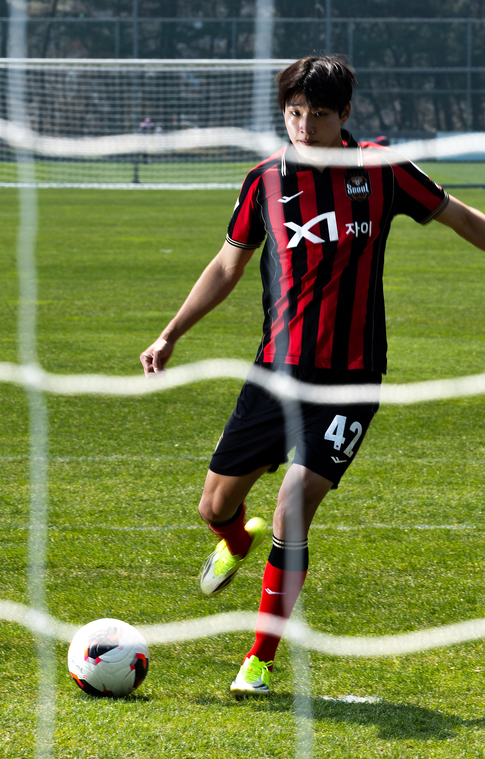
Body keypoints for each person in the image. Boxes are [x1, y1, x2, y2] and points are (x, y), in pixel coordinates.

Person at [140, 55, 485, 696]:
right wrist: (170, 333)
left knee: (293, 505)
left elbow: (462, 218)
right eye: (294, 112)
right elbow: (226, 266)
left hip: (353, 378)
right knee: (214, 506)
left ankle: (260, 661)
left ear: (345, 115)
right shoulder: (263, 179)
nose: (303, 125)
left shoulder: (382, 171)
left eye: (318, 114)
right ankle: (235, 541)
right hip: (276, 372)